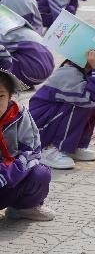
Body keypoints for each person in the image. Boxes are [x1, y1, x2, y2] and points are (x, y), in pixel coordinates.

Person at [29, 43, 95, 170]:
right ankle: (50, 148)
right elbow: (93, 100)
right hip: (40, 128)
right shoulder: (68, 72)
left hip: (51, 121)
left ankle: (73, 146)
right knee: (82, 103)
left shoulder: (87, 71)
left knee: (90, 99)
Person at [0, 69, 55, 221]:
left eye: (0, 96)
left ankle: (24, 208)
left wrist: (6, 173)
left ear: (10, 97)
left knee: (40, 173)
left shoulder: (20, 115)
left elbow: (32, 152)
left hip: (10, 178)